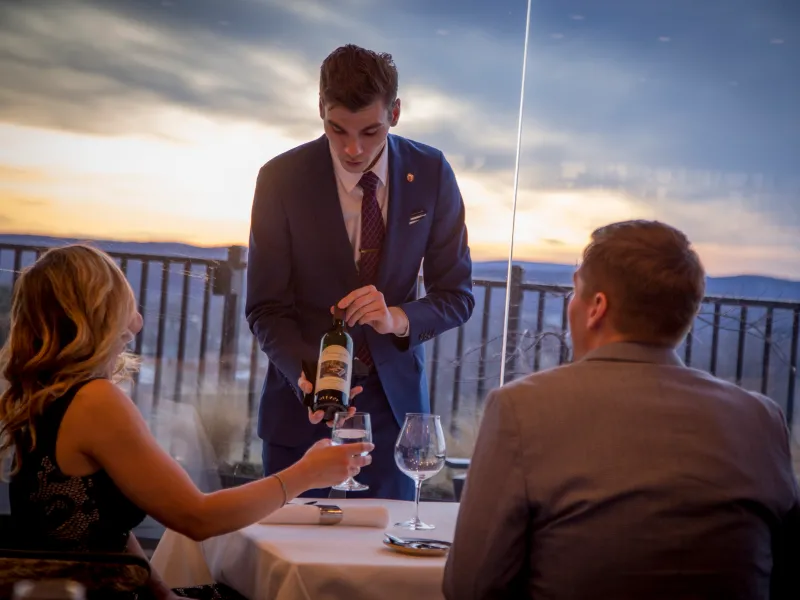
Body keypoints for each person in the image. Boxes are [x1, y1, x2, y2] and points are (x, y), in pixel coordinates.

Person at [443, 220, 800, 599]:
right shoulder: (761, 419)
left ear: (597, 307)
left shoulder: (521, 408)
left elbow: (471, 587)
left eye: (575, 290)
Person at [0, 245, 372, 600]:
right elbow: (197, 518)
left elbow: (104, 525)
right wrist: (306, 474)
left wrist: (161, 593)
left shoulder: (44, 394)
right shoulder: (95, 401)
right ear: (97, 309)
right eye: (124, 295)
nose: (139, 318)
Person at [245, 44, 474, 500]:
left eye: (370, 131)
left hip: (394, 419)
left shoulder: (431, 172)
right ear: (320, 111)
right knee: (295, 555)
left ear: (396, 112)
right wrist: (303, 376)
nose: (353, 148)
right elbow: (266, 306)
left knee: (385, 561)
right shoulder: (280, 179)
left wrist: (397, 317)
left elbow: (457, 295)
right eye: (337, 130)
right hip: (302, 412)